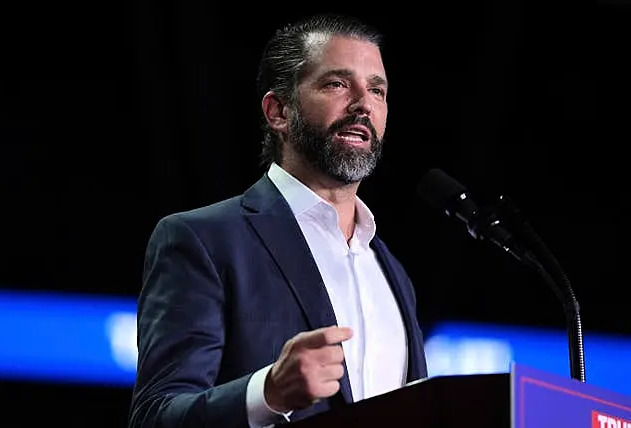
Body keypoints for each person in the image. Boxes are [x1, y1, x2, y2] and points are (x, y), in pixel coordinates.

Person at [128, 12, 428, 428]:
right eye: (338, 84)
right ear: (278, 111)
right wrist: (266, 392)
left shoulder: (391, 269)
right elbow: (154, 417)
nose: (363, 103)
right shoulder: (202, 240)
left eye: (377, 90)